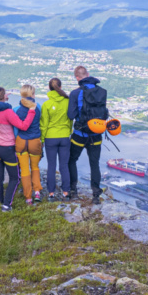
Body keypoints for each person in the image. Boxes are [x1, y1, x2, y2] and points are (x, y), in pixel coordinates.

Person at [0, 86, 35, 212]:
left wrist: (3, 97)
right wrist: (31, 111)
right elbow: (23, 126)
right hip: (6, 148)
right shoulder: (8, 112)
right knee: (15, 178)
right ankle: (7, 205)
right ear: (3, 97)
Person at [66, 66, 109, 205]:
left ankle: (73, 191)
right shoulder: (101, 92)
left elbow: (71, 115)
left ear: (77, 78)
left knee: (71, 160)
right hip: (96, 134)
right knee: (94, 163)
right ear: (88, 74)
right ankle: (96, 194)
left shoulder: (75, 93)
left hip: (80, 134)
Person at [40, 78, 72, 200]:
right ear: (60, 86)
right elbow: (70, 120)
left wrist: (42, 140)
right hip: (64, 136)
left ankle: (51, 194)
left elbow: (44, 125)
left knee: (51, 165)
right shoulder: (67, 102)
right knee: (64, 165)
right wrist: (68, 132)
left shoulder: (47, 104)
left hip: (50, 137)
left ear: (49, 88)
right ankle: (66, 192)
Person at [13, 84, 43, 205]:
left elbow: (16, 129)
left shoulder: (16, 110)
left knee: (25, 170)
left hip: (21, 141)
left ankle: (28, 197)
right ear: (32, 95)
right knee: (35, 167)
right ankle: (37, 192)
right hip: (34, 141)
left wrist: (16, 140)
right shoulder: (38, 107)